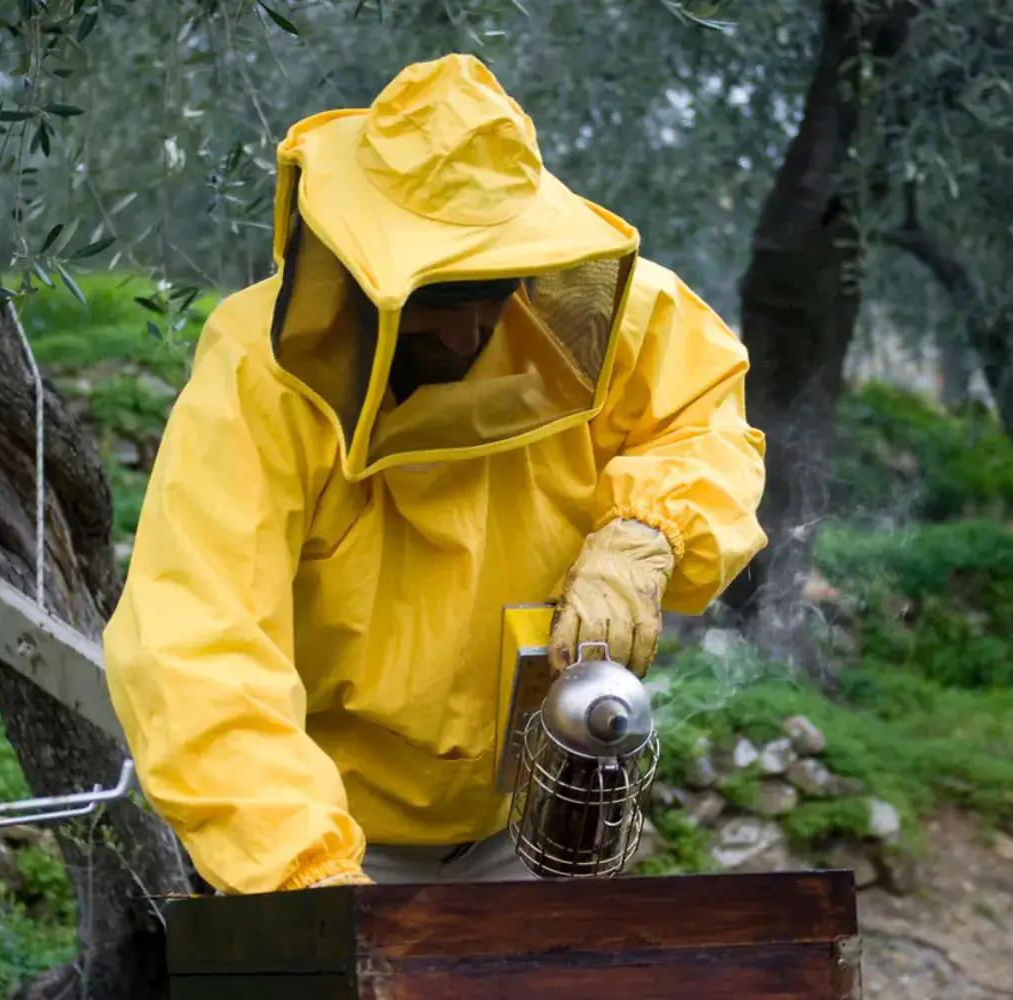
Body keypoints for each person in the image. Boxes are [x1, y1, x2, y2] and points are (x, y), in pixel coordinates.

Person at [102, 53, 768, 895]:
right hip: (331, 839)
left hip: (531, 829)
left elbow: (705, 419)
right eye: (438, 298)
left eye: (493, 292)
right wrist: (308, 878)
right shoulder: (257, 377)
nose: (467, 336)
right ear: (355, 269)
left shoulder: (608, 317)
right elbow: (196, 647)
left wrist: (646, 532)